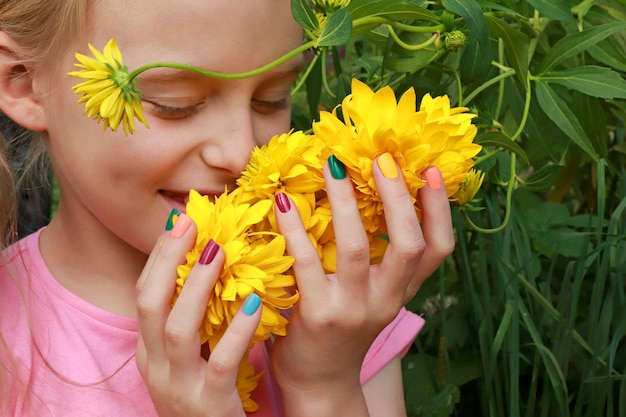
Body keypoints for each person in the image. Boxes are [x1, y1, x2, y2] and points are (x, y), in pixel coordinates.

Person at [0, 0, 455, 416]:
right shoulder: (11, 345)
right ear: (23, 82)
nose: (240, 152)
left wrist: (323, 387)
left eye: (272, 98)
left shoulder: (338, 312)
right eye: (175, 105)